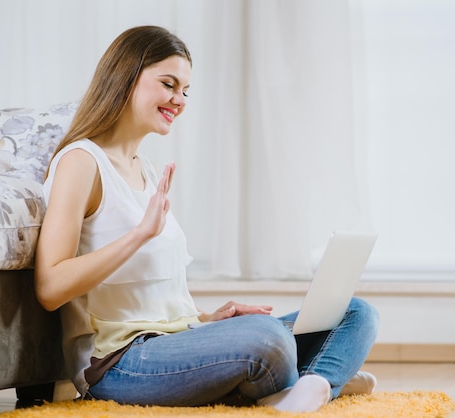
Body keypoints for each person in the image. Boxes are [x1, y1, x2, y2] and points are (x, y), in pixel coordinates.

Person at [35, 25, 380, 413]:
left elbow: (153, 297)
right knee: (265, 338)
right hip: (120, 364)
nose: (179, 100)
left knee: (355, 312)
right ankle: (317, 381)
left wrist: (210, 319)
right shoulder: (81, 162)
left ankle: (310, 384)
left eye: (185, 90)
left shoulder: (145, 170)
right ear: (125, 76)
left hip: (176, 340)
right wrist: (139, 235)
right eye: (168, 84)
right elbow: (50, 287)